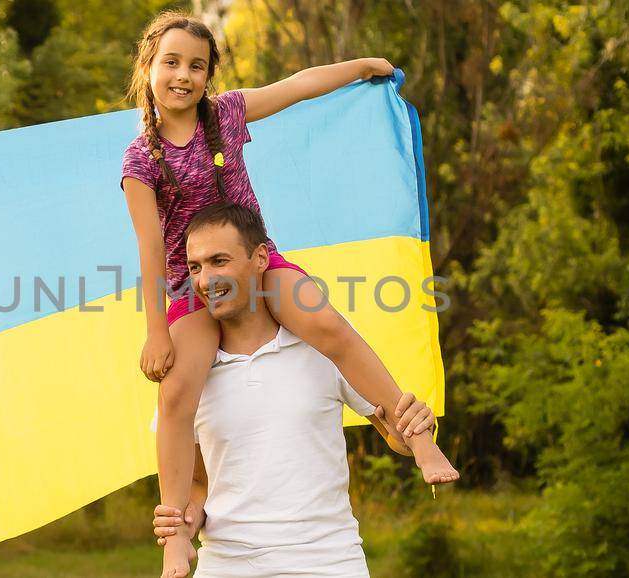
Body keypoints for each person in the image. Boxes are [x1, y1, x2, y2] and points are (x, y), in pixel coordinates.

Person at [118, 11, 458, 576]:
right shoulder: (140, 160)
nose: (183, 75)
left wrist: (363, 67)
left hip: (257, 259)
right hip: (191, 282)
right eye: (171, 62)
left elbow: (298, 86)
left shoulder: (223, 116)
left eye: (197, 66)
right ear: (148, 67)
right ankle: (175, 536)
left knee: (328, 327)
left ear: (209, 76)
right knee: (176, 397)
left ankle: (419, 438)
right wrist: (157, 330)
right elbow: (151, 248)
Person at [148, 203, 438, 577]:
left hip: (329, 563)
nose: (205, 280)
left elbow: (392, 434)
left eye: (219, 261)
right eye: (195, 267)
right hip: (228, 567)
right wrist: (185, 522)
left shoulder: (323, 346)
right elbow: (200, 483)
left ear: (260, 259)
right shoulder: (188, 373)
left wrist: (417, 429)